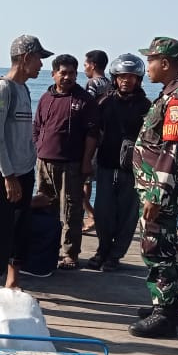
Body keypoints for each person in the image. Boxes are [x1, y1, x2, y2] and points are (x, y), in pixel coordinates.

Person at [0, 35, 53, 299]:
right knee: (0, 230)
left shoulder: (25, 90)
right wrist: (8, 175)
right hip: (4, 173)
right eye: (39, 58)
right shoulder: (3, 90)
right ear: (25, 58)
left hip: (24, 172)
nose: (42, 65)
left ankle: (13, 280)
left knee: (20, 226)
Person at [128, 37, 178, 338]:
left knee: (155, 246)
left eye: (151, 60)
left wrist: (157, 194)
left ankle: (164, 315)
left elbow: (172, 151)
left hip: (161, 189)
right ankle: (170, 305)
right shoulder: (169, 95)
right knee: (166, 244)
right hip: (157, 185)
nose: (149, 67)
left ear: (166, 63)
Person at [32, 54, 99, 269]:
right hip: (44, 162)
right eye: (63, 73)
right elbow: (36, 127)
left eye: (72, 73)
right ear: (53, 74)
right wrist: (37, 150)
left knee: (72, 209)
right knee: (45, 206)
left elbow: (92, 134)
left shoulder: (84, 100)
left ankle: (71, 253)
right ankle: (48, 249)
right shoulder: (45, 98)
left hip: (72, 163)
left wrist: (87, 161)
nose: (68, 77)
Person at [87, 53, 150, 271]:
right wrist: (88, 161)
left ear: (138, 79)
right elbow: (94, 133)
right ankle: (102, 249)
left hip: (132, 169)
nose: (126, 80)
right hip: (105, 164)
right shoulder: (104, 102)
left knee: (128, 214)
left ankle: (115, 255)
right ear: (115, 78)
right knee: (103, 212)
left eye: (131, 77)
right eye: (122, 76)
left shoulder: (146, 106)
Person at [82, 49, 110, 233]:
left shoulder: (92, 83)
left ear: (92, 65)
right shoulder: (111, 83)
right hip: (106, 137)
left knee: (84, 181)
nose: (84, 68)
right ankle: (93, 216)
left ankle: (92, 216)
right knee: (94, 181)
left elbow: (87, 109)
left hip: (92, 137)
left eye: (85, 65)